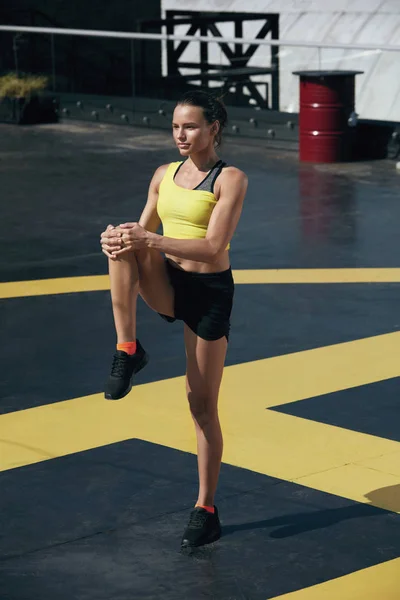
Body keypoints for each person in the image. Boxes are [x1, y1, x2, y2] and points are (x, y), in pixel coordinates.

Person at [100, 89, 248, 549]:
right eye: (175, 127)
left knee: (202, 406)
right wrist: (118, 238)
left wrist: (149, 239)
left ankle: (206, 508)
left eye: (190, 127)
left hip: (208, 294)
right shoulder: (163, 174)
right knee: (122, 244)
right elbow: (140, 231)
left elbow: (213, 247)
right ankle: (128, 348)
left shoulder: (230, 179)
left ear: (213, 129)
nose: (180, 135)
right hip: (167, 283)